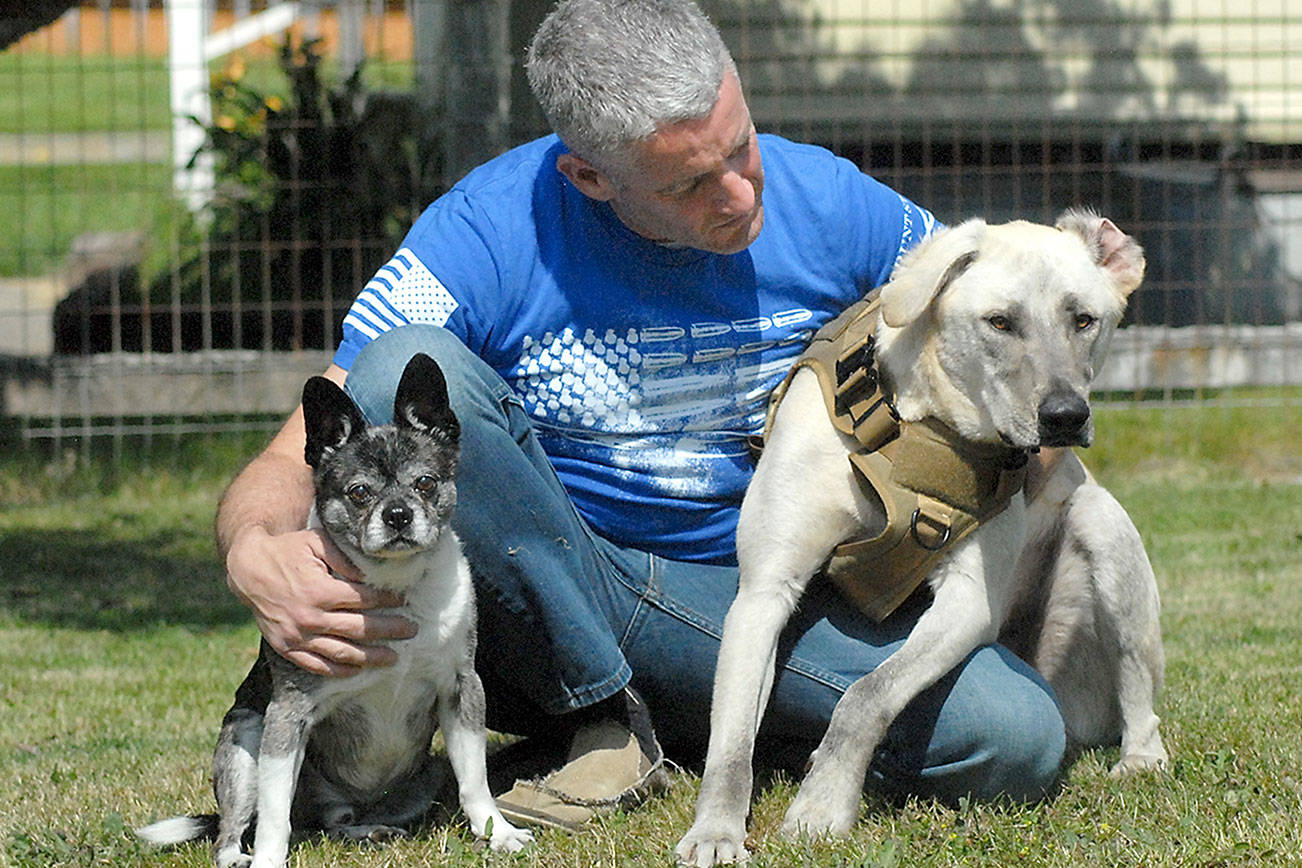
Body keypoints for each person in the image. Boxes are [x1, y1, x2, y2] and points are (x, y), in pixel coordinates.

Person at [217, 0, 1066, 832]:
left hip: (776, 586)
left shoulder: (833, 202)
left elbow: (998, 318)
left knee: (1014, 738)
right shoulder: (489, 228)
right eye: (691, 182)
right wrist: (253, 551)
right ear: (587, 176)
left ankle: (661, 723)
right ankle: (605, 713)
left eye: (741, 145)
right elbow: (307, 441)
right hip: (559, 587)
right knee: (398, 363)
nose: (739, 193)